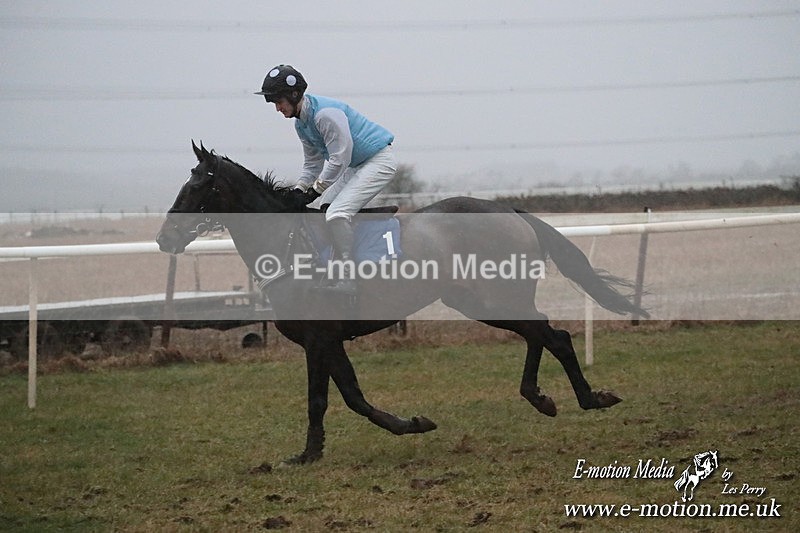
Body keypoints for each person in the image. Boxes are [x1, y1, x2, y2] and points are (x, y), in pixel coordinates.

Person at [255, 64, 397, 296]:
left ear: (293, 95)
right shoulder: (301, 124)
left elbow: (341, 157)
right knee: (320, 207)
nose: (277, 108)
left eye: (278, 102)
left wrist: (317, 188)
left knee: (336, 213)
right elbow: (312, 164)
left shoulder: (325, 115)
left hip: (378, 162)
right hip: (358, 165)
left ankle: (349, 278)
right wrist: (300, 189)